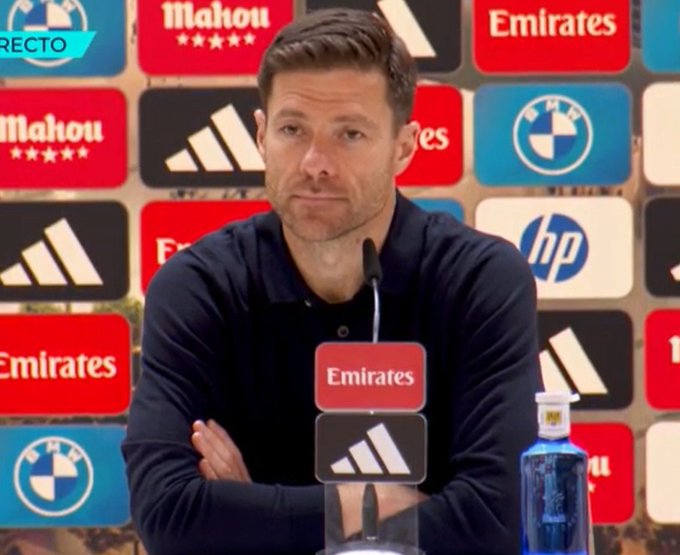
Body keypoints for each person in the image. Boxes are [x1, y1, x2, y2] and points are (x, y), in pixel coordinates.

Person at [122, 8, 541, 555]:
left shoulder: (479, 281)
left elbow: (495, 521)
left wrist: (256, 513)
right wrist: (365, 505)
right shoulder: (199, 288)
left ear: (404, 146)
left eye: (350, 134)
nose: (315, 163)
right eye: (293, 130)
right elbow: (171, 518)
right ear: (260, 134)